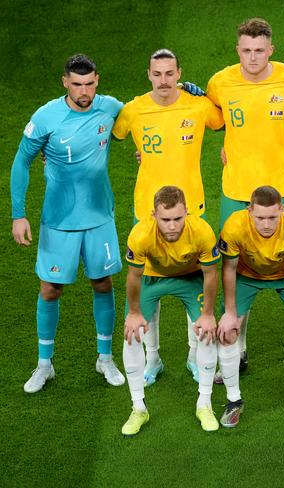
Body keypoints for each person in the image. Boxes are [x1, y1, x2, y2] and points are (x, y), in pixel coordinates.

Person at [206, 18, 284, 371]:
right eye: (246, 51)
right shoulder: (220, 83)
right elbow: (207, 117)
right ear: (237, 50)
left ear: (271, 49)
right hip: (237, 188)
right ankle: (236, 346)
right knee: (235, 267)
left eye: (259, 51)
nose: (252, 58)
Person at [10, 54, 125, 393]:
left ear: (97, 80)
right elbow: (21, 161)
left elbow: (144, 117)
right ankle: (44, 364)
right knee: (50, 289)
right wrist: (19, 214)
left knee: (103, 283)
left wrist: (180, 88)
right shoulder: (46, 117)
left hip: (100, 217)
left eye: (89, 84)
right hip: (58, 220)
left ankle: (104, 357)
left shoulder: (109, 107)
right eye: (77, 84)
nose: (84, 91)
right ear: (65, 82)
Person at [112, 48, 224, 387]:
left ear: (179, 73)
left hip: (191, 213)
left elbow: (227, 119)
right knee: (151, 285)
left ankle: (193, 355)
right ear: (148, 73)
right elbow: (108, 135)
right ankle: (153, 357)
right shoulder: (133, 110)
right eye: (157, 73)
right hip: (148, 214)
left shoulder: (199, 106)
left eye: (170, 73)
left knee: (195, 286)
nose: (164, 80)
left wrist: (203, 92)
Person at [215, 186, 284, 428]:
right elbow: (228, 269)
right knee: (228, 333)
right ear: (249, 211)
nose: (266, 224)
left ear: (282, 210)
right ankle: (233, 401)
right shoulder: (234, 225)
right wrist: (230, 313)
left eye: (273, 217)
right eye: (260, 217)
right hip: (247, 276)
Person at [121, 186, 221, 436]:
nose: (173, 226)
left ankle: (205, 403)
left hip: (189, 278)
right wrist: (134, 313)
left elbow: (211, 274)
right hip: (151, 280)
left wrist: (208, 314)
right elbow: (133, 277)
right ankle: (138, 408)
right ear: (154, 215)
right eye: (166, 220)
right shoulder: (141, 234)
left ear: (187, 212)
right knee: (132, 334)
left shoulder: (201, 232)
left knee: (208, 331)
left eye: (178, 218)